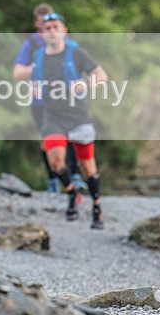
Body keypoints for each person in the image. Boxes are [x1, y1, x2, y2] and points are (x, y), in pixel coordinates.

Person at [27, 12, 107, 229]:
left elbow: (101, 76)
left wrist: (85, 83)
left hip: (78, 117)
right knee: (55, 162)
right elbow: (36, 82)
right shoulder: (39, 56)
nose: (51, 31)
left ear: (64, 31)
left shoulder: (76, 53)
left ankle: (97, 205)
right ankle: (72, 192)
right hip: (53, 117)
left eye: (55, 27)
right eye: (47, 28)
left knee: (87, 167)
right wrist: (34, 90)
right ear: (41, 34)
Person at [13, 3, 84, 193]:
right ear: (37, 24)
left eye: (53, 21)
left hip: (65, 98)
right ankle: (53, 180)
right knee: (48, 139)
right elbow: (17, 72)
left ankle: (75, 176)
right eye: (44, 22)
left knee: (71, 135)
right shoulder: (32, 43)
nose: (49, 26)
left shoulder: (67, 42)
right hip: (41, 101)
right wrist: (39, 67)